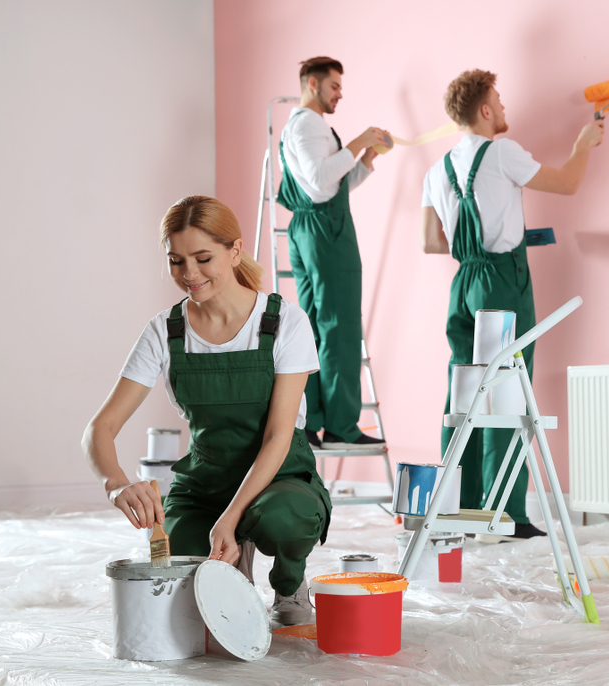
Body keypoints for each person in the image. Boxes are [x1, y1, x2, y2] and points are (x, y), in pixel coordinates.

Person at [81, 196, 330, 626]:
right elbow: (99, 429)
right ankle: (233, 573)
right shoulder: (166, 330)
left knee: (283, 519)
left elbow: (277, 437)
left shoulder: (284, 323)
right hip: (205, 481)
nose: (189, 274)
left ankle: (290, 587)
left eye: (203, 258)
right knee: (185, 584)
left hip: (281, 475)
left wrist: (229, 519)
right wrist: (115, 484)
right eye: (176, 261)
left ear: (234, 251)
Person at [420, 69, 604, 540]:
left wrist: (481, 245)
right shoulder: (503, 152)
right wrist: (584, 143)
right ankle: (504, 514)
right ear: (484, 110)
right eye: (498, 101)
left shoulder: (436, 170)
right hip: (502, 282)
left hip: (463, 284)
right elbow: (566, 184)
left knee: (463, 393)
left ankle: (458, 505)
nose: (503, 109)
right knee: (505, 391)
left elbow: (431, 242)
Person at [278, 55, 387, 451]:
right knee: (339, 328)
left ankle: (310, 422)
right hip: (327, 231)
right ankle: (341, 425)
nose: (340, 93)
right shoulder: (308, 124)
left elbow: (328, 186)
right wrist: (359, 141)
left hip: (311, 226)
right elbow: (322, 177)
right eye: (335, 86)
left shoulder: (305, 126)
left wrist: (367, 160)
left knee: (313, 329)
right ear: (312, 84)